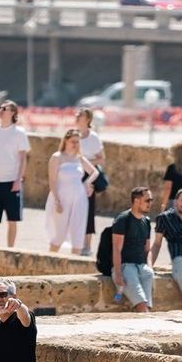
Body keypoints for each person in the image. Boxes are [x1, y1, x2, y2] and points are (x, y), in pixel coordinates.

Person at [0, 101, 30, 247]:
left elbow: (22, 159)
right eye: (0, 108)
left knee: (12, 220)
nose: (1, 110)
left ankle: (10, 249)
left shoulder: (19, 133)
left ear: (13, 113)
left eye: (4, 109)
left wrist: (18, 180)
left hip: (11, 181)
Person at [45, 128, 98, 254]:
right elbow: (52, 181)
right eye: (73, 141)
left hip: (79, 198)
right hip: (61, 198)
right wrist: (57, 201)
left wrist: (87, 183)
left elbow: (94, 172)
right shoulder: (57, 157)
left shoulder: (79, 158)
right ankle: (51, 259)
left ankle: (75, 260)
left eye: (78, 142)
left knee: (78, 232)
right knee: (60, 234)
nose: (75, 144)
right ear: (66, 141)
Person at [108, 186, 157, 313]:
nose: (150, 203)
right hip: (126, 267)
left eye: (151, 200)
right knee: (142, 306)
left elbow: (147, 249)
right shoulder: (122, 219)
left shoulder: (146, 221)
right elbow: (116, 249)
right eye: (147, 200)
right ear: (136, 201)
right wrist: (118, 274)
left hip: (142, 267)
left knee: (147, 305)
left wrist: (150, 268)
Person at [75, 108, 106, 255]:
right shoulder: (73, 135)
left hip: (89, 176)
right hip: (74, 176)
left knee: (88, 210)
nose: (77, 116)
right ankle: (75, 242)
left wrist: (85, 162)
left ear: (88, 119)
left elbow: (101, 159)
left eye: (80, 115)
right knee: (74, 210)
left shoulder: (93, 137)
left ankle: (87, 245)